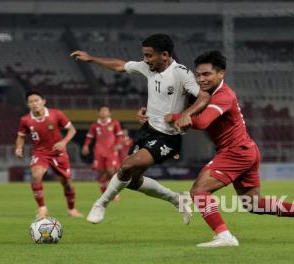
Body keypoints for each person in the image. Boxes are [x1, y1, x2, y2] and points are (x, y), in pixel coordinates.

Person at [166, 51, 294, 247]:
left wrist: (176, 118)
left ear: (221, 74)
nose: (201, 79)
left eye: (207, 74)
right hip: (245, 150)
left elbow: (202, 122)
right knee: (253, 204)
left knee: (198, 191)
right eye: (199, 74)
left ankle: (224, 236)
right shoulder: (206, 94)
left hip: (235, 151)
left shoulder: (224, 95)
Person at [70, 33, 210, 224]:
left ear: (165, 55)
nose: (146, 60)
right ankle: (176, 198)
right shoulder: (147, 68)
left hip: (168, 136)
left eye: (149, 55)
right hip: (147, 130)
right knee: (131, 180)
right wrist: (91, 58)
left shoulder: (181, 73)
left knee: (126, 165)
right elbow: (121, 65)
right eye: (144, 55)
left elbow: (203, 97)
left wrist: (186, 114)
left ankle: (101, 204)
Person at [15, 91, 83, 218]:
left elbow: (72, 130)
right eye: (31, 101)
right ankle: (42, 208)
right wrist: (19, 148)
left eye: (37, 100)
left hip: (59, 153)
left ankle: (71, 209)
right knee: (36, 176)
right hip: (40, 153)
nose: (34, 104)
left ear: (43, 101)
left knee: (67, 183)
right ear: (27, 104)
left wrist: (64, 142)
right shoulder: (25, 120)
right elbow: (21, 136)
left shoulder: (56, 114)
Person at [82, 106, 123, 200]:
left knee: (111, 171)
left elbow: (120, 136)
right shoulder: (94, 125)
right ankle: (105, 194)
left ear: (109, 113)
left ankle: (114, 192)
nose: (104, 113)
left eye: (106, 111)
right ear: (98, 113)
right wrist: (85, 145)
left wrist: (118, 144)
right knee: (101, 173)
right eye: (102, 111)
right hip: (99, 151)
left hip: (111, 150)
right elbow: (89, 137)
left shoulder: (114, 123)